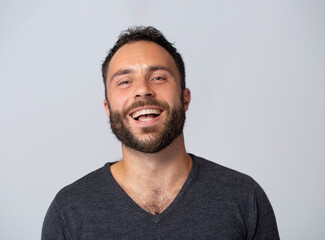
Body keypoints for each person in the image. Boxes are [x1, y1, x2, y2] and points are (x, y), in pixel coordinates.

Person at [42, 26, 279, 239]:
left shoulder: (245, 198)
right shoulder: (68, 211)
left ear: (184, 99)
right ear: (108, 107)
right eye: (124, 82)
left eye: (158, 77)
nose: (143, 90)